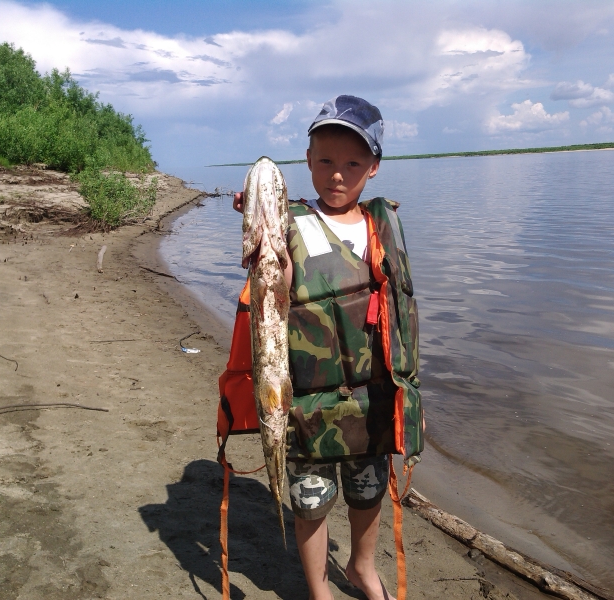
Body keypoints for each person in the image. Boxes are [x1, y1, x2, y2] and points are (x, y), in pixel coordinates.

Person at [233, 95, 423, 600]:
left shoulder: (380, 225)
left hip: (371, 397)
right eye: (325, 162)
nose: (337, 175)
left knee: (366, 491)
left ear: (374, 168)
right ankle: (318, 588)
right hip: (307, 400)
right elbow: (281, 284)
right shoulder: (293, 221)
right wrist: (264, 225)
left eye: (352, 164)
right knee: (310, 500)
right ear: (308, 160)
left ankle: (362, 567)